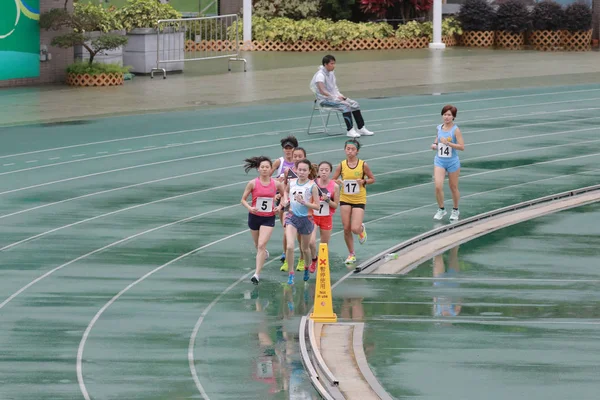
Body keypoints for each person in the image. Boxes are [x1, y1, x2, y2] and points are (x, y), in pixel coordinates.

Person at [241, 156, 285, 285]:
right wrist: (250, 207)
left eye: (267, 167)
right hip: (254, 216)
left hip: (268, 217)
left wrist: (280, 206)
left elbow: (284, 195)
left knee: (261, 245)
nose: (265, 169)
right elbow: (243, 199)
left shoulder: (276, 183)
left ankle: (256, 274)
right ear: (258, 169)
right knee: (257, 245)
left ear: (271, 169)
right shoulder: (252, 183)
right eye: (262, 167)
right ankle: (264, 253)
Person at [332, 139, 375, 265]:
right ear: (345, 150)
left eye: (352, 149)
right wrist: (337, 181)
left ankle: (361, 229)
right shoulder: (341, 165)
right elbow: (333, 179)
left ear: (357, 151)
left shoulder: (363, 165)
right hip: (345, 198)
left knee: (354, 228)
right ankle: (351, 254)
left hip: (359, 198)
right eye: (348, 149)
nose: (350, 151)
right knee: (346, 228)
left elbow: (372, 179)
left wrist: (364, 181)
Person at [310, 54, 374, 138]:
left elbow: (334, 88)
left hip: (334, 98)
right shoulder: (320, 75)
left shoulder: (331, 73)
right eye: (331, 64)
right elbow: (322, 91)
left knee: (355, 104)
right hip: (324, 101)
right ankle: (350, 130)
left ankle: (361, 128)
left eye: (334, 63)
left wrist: (340, 95)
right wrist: (335, 97)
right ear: (325, 64)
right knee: (345, 105)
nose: (334, 66)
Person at [281, 159, 320, 285]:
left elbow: (317, 206)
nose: (302, 172)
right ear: (296, 170)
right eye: (300, 170)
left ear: (309, 171)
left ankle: (307, 268)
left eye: (304, 170)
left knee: (305, 249)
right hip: (292, 217)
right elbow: (285, 191)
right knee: (290, 246)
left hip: (306, 219)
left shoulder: (312, 186)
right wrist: (286, 200)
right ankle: (291, 274)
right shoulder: (292, 182)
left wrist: (304, 202)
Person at [431, 105, 464, 221]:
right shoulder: (439, 127)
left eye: (449, 115)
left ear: (453, 117)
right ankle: (441, 209)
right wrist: (435, 144)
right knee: (438, 186)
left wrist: (448, 144)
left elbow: (462, 147)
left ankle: (455, 210)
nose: (446, 117)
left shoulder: (456, 130)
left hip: (452, 162)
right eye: (445, 114)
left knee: (453, 187)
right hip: (439, 161)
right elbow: (437, 138)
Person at [308, 161, 340, 274]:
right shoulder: (312, 183)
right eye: (321, 170)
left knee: (323, 246)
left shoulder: (334, 186)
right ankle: (314, 260)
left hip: (326, 217)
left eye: (326, 170)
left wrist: (327, 200)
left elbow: (336, 205)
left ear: (330, 171)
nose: (324, 172)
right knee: (311, 242)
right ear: (318, 171)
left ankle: (323, 268)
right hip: (313, 216)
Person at [271, 136, 299, 263]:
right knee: (285, 226)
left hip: (298, 198)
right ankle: (285, 252)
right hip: (282, 197)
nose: (288, 151)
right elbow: (267, 178)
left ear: (294, 149)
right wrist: (278, 180)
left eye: (290, 148)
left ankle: (301, 253)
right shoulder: (279, 162)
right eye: (285, 148)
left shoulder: (300, 163)